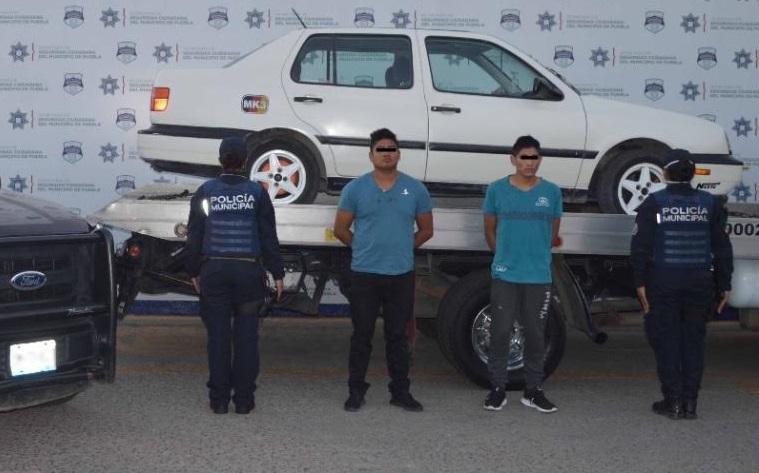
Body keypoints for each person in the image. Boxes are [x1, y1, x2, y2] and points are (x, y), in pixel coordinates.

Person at [333, 128, 433, 412]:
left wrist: (402, 247)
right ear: (371, 155)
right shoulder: (355, 188)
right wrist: (363, 247)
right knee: (361, 335)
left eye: (392, 149)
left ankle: (400, 392)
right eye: (381, 149)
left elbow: (426, 230)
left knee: (397, 337)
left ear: (399, 154)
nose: (387, 154)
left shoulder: (415, 189)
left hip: (400, 274)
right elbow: (340, 229)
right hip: (364, 274)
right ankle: (356, 391)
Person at [185, 136, 284, 415]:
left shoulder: (206, 191)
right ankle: (244, 401)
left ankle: (218, 401)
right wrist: (277, 273)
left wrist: (193, 270)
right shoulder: (257, 192)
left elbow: (195, 236)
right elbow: (268, 237)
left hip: (214, 271)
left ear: (220, 159)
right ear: (244, 161)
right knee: (246, 338)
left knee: (217, 337)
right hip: (248, 273)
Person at [631, 149, 733, 420]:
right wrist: (724, 284)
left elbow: (640, 246)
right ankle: (690, 403)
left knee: (666, 341)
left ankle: (673, 401)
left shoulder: (655, 203)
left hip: (664, 283)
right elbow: (722, 247)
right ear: (692, 173)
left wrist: (640, 282)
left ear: (665, 173)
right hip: (700, 283)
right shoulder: (709, 203)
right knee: (694, 342)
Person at [482, 135, 562, 413]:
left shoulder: (551, 192)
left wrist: (535, 255)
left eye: (535, 158)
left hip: (538, 276)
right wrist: (502, 256)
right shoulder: (496, 190)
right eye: (524, 158)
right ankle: (497, 389)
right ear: (513, 160)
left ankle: (533, 390)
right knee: (501, 332)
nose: (530, 163)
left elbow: (553, 231)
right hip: (506, 275)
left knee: (536, 334)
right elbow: (490, 228)